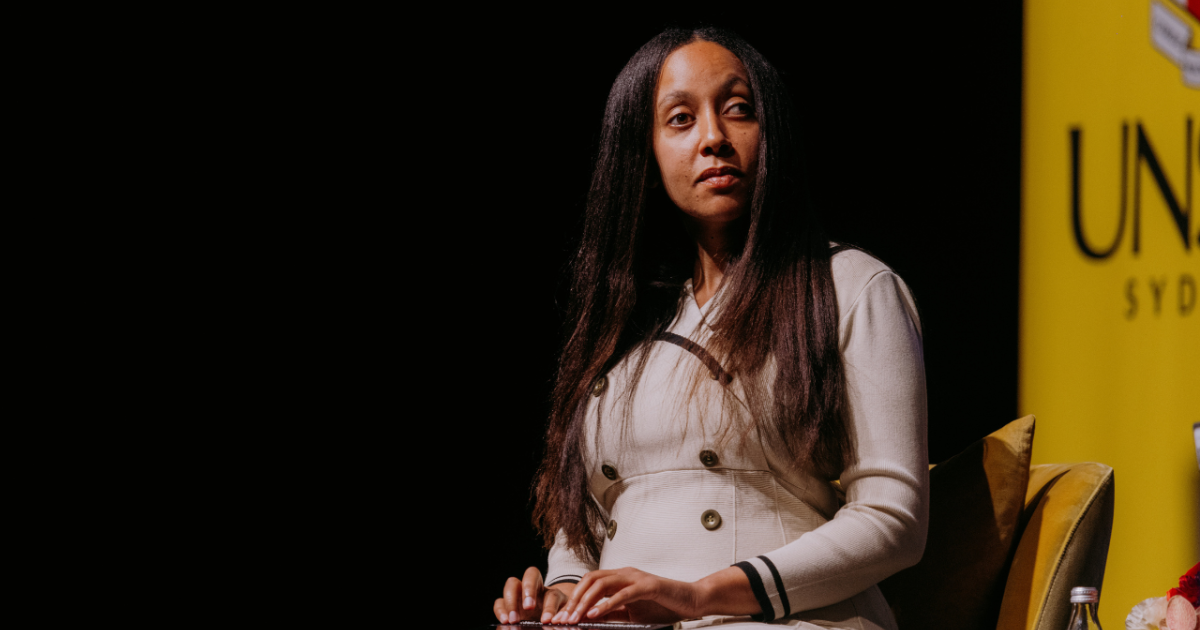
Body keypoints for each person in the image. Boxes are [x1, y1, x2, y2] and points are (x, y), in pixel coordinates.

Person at [494, 26, 928, 630]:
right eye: (680, 119)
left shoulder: (849, 284)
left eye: (739, 110)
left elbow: (893, 519)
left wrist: (699, 596)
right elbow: (587, 526)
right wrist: (564, 595)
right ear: (645, 157)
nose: (714, 138)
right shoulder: (624, 321)